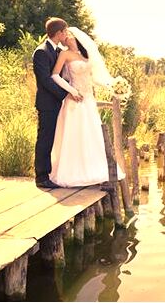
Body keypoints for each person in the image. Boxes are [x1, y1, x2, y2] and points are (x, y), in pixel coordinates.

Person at [49, 27, 126, 187]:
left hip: (89, 100)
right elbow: (55, 75)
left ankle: (93, 169)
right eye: (65, 35)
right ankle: (73, 172)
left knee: (91, 134)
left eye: (69, 35)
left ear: (76, 38)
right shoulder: (64, 54)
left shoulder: (86, 55)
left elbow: (94, 78)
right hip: (75, 100)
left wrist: (112, 86)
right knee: (75, 135)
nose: (66, 38)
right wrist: (71, 91)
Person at [32, 18, 82, 189]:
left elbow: (63, 76)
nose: (66, 34)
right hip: (47, 103)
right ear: (59, 33)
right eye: (65, 31)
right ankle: (41, 177)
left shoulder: (59, 51)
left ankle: (51, 173)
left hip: (57, 103)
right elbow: (45, 80)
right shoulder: (41, 52)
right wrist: (65, 93)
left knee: (53, 138)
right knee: (45, 139)